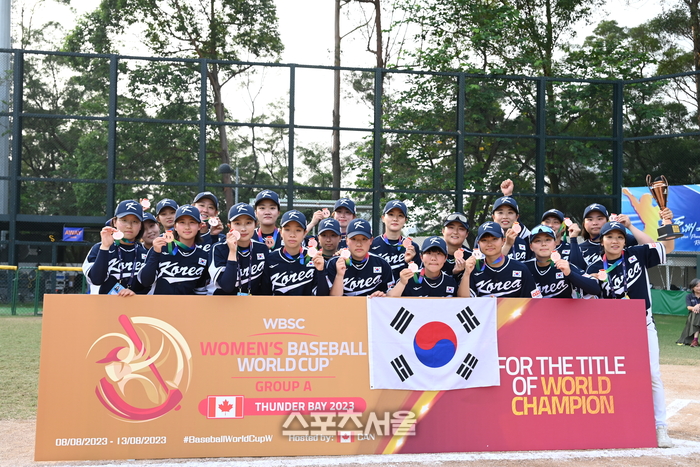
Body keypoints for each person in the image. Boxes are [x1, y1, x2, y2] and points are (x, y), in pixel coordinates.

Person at [585, 215, 675, 448]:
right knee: (613, 377)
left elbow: (667, 247)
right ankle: (616, 423)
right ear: (602, 241)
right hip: (612, 330)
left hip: (643, 324)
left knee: (652, 374)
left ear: (625, 241)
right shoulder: (594, 267)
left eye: (619, 237)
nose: (615, 241)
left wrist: (639, 225)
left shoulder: (638, 254)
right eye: (609, 237)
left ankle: (660, 426)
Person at [138, 205, 209, 295]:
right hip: (159, 303)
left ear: (200, 226)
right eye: (182, 222)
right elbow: (145, 282)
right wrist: (156, 253)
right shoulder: (161, 248)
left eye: (192, 222)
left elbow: (200, 290)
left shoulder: (203, 255)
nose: (187, 227)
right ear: (175, 226)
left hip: (187, 304)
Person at [82, 200, 147, 296]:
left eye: (135, 221)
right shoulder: (99, 248)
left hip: (135, 304)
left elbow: (149, 288)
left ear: (141, 225)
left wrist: (135, 295)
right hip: (102, 304)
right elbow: (96, 280)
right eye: (124, 220)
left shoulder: (146, 252)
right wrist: (105, 247)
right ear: (115, 222)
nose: (129, 226)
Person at [462, 221, 539, 298]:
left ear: (503, 241)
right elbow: (463, 301)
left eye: (494, 239)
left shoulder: (520, 268)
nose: (489, 244)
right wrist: (466, 273)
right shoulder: (474, 268)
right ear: (478, 243)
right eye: (484, 240)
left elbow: (535, 300)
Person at [319, 218, 393, 296]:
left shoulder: (382, 264)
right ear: (346, 240)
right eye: (353, 239)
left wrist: (381, 296)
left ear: (371, 241)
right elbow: (333, 299)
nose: (359, 244)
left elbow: (389, 296)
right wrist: (339, 276)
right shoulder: (334, 263)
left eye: (364, 239)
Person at [524, 225, 600, 298]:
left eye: (548, 240)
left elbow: (595, 289)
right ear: (531, 247)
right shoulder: (524, 267)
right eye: (538, 241)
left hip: (565, 307)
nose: (543, 244)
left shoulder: (564, 265)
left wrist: (570, 274)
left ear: (554, 244)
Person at [260, 210, 325, 295]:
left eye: (298, 230)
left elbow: (323, 296)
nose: (292, 235)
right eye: (287, 229)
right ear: (281, 232)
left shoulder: (313, 257)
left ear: (304, 233)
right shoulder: (271, 258)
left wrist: (321, 271)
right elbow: (265, 294)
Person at [209, 203, 268, 295]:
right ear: (229, 226)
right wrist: (232, 251)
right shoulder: (219, 248)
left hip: (253, 302)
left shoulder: (262, 248)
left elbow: (265, 286)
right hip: (224, 302)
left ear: (255, 225)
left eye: (248, 223)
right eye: (237, 223)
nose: (243, 229)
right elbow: (227, 286)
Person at [578, 203, 653, 269]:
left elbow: (651, 247)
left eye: (600, 219)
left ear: (607, 221)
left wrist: (629, 226)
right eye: (590, 219)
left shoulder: (621, 240)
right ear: (584, 224)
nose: (595, 223)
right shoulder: (579, 249)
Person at [388, 236, 464, 297]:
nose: (433, 258)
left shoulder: (450, 282)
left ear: (445, 258)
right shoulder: (410, 278)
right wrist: (402, 283)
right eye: (429, 253)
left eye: (438, 253)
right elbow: (388, 301)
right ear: (421, 257)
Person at [370, 200, 421, 282]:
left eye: (400, 215)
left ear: (405, 220)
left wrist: (410, 262)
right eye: (391, 214)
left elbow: (418, 280)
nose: (395, 219)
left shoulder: (412, 247)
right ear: (383, 218)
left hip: (405, 289)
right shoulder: (372, 245)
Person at [492, 196, 532, 262]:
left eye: (510, 212)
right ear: (493, 217)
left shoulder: (523, 240)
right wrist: (507, 244)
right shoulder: (484, 238)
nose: (505, 217)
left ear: (517, 217)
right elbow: (490, 264)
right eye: (500, 212)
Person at [441, 212, 472, 281]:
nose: (455, 232)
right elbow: (420, 280)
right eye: (451, 227)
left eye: (461, 229)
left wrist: (459, 274)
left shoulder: (472, 257)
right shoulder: (431, 254)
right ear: (443, 231)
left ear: (467, 234)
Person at [676, 278, 700, 347]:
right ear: (692, 288)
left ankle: (695, 340)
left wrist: (698, 305)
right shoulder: (689, 296)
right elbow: (689, 307)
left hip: (695, 318)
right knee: (696, 314)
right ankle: (695, 340)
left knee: (697, 315)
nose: (699, 288)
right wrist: (695, 308)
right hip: (693, 316)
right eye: (697, 286)